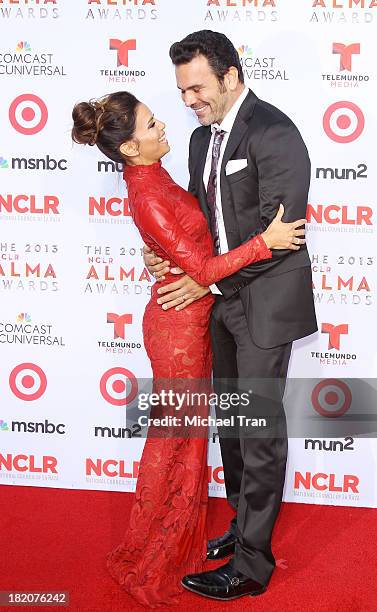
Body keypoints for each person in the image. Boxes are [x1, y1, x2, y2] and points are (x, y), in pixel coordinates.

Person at [71, 90, 307, 607]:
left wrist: (159, 252)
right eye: (153, 124)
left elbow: (194, 230)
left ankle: (206, 543)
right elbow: (199, 266)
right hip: (180, 328)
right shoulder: (149, 188)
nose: (167, 123)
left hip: (209, 316)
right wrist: (266, 241)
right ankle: (152, 550)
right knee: (173, 441)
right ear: (131, 147)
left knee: (205, 436)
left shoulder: (156, 176)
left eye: (189, 93)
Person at [143, 30, 318, 601]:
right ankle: (244, 527)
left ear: (230, 75)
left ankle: (253, 565)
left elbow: (281, 238)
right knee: (235, 428)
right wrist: (168, 254)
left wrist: (207, 278)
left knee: (260, 431)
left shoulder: (274, 132)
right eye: (182, 92)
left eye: (197, 89)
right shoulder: (200, 141)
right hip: (220, 303)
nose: (189, 101)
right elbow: (200, 221)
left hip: (266, 302)